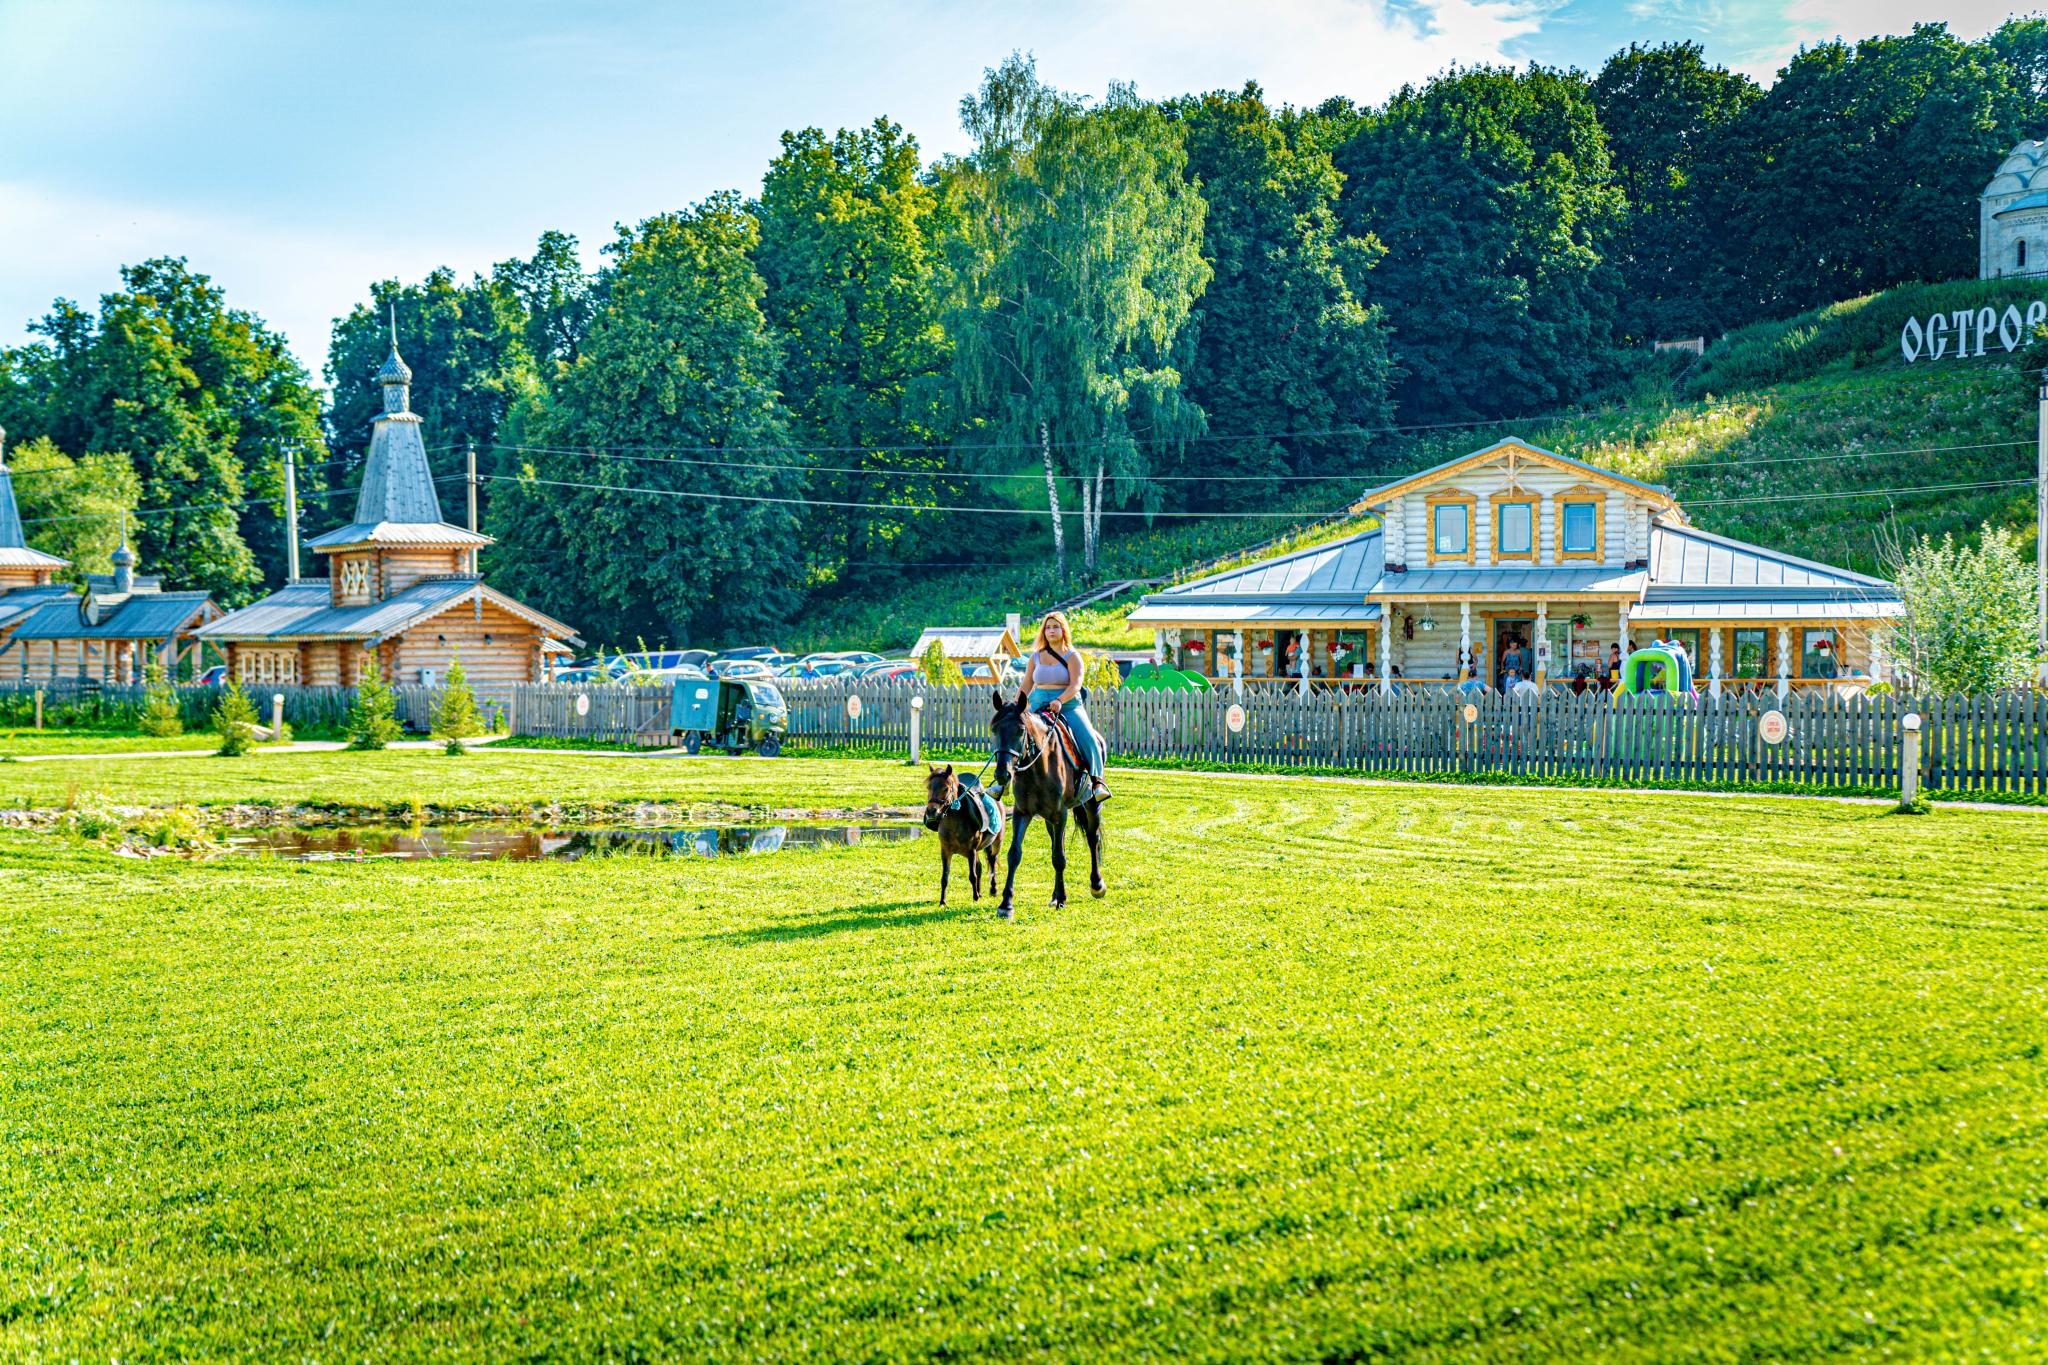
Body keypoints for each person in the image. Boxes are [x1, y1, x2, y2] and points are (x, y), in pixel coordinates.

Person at [1022, 610, 1110, 803]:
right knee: (1014, 734)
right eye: (1048, 627)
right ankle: (1002, 782)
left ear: (1063, 630)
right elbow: (1027, 684)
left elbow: (1076, 685)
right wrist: (1016, 705)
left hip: (1068, 703)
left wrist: (1060, 700)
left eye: (1055, 627)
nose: (1051, 631)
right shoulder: (1035, 657)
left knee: (1088, 738)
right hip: (1038, 702)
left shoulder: (1073, 656)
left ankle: (1097, 781)